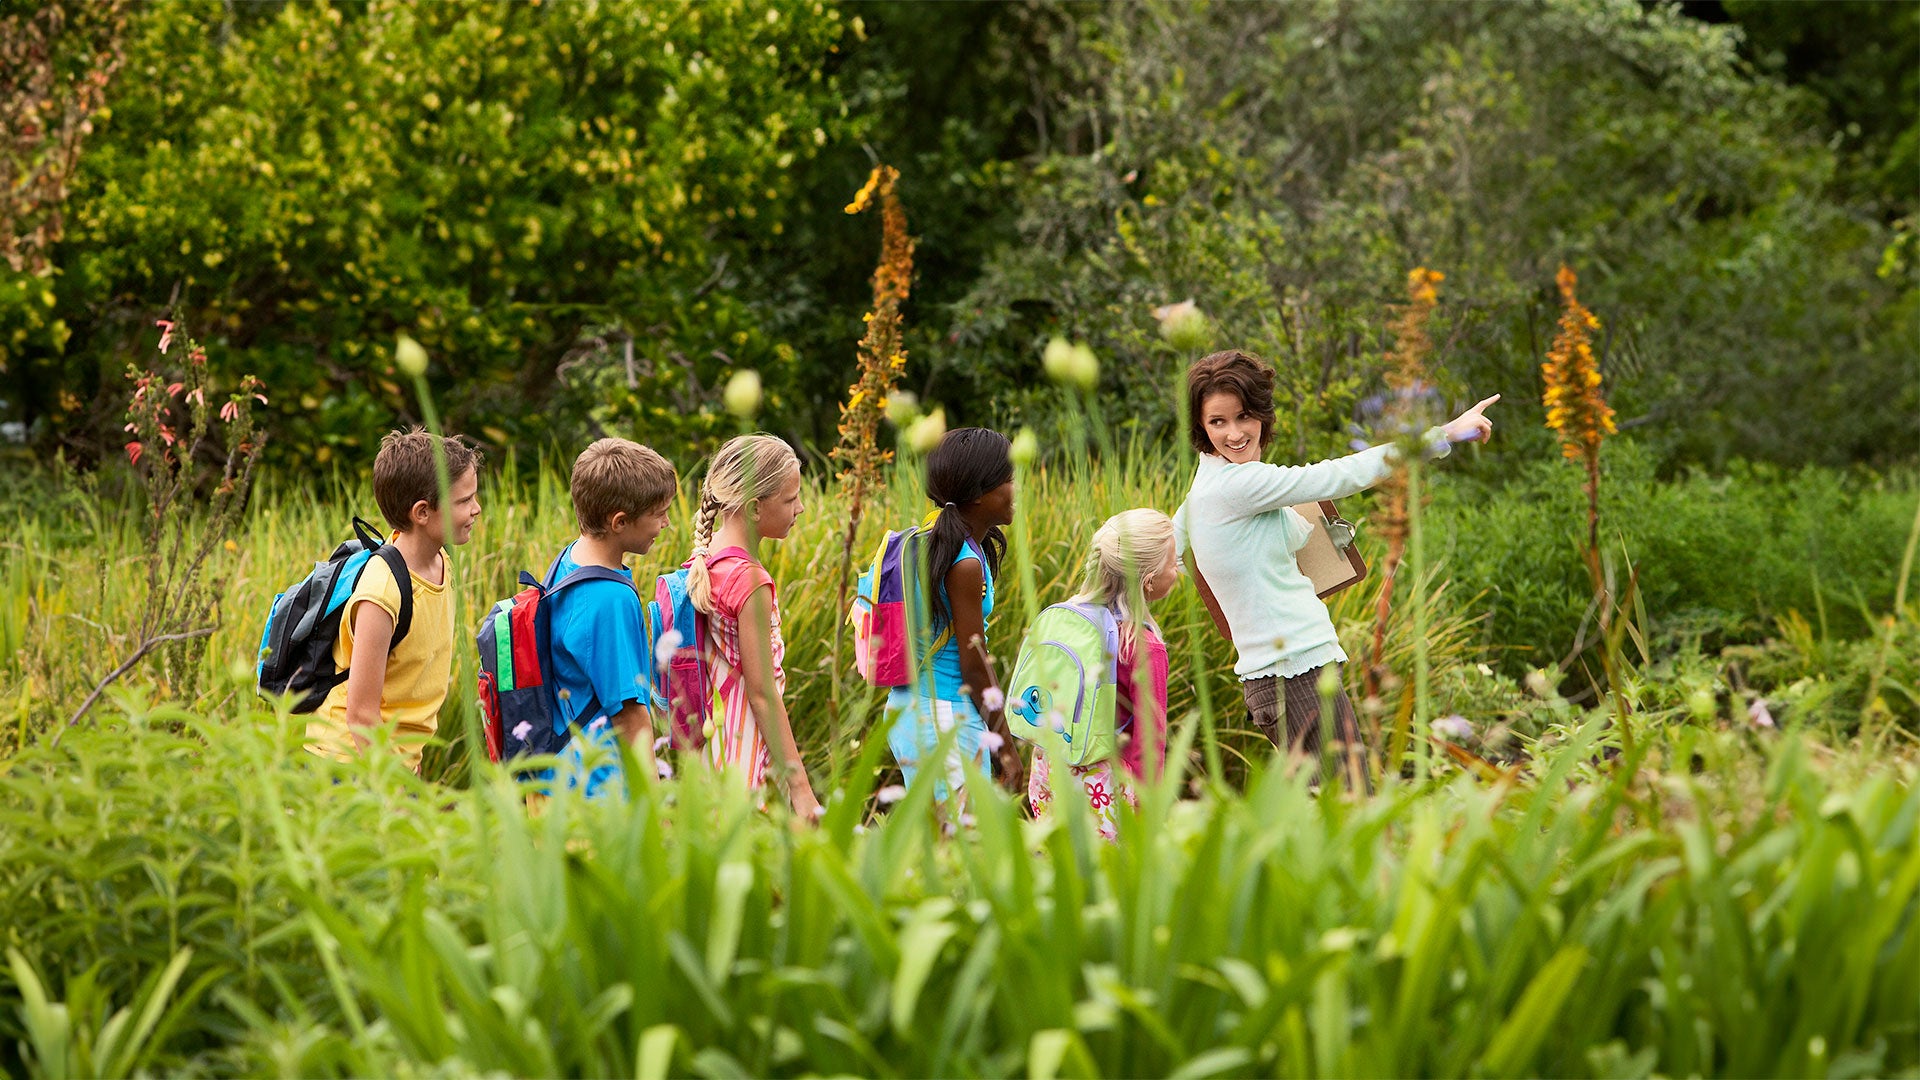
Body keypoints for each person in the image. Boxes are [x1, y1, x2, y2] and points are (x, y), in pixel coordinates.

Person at [1173, 350, 1496, 787]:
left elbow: (1166, 546)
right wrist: (1445, 433)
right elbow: (1340, 474)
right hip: (1295, 675)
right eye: (1218, 422)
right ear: (1201, 427)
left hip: (1287, 675)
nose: (1234, 433)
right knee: (1350, 811)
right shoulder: (1236, 485)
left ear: (1263, 415)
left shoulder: (1208, 485)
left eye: (1244, 416)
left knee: (1334, 821)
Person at [307, 428, 483, 774]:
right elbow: (361, 715)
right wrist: (398, 788)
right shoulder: (381, 593)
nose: (476, 509)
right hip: (350, 765)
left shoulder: (440, 562)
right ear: (422, 512)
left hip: (395, 759)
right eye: (464, 501)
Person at [684, 434, 822, 818]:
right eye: (791, 499)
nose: (802, 508)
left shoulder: (704, 565)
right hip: (746, 750)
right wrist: (801, 788)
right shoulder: (750, 581)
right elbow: (762, 694)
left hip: (711, 746)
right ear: (755, 507)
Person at [887, 427, 1025, 808]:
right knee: (962, 849)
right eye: (1010, 478)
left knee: (939, 845)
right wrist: (1007, 749)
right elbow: (974, 666)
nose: (1017, 488)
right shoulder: (963, 562)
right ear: (980, 493)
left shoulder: (926, 539)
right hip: (942, 715)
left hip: (909, 709)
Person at [1028, 508, 1178, 840]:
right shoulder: (1143, 647)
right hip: (1105, 787)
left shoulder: (1069, 622)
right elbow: (1148, 742)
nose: (1177, 569)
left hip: (1050, 770)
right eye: (1173, 562)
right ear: (1149, 582)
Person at [544, 438, 677, 799]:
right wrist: (654, 814)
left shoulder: (570, 560)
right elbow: (631, 718)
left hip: (562, 771)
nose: (666, 523)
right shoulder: (610, 598)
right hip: (601, 787)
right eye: (659, 513)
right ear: (620, 522)